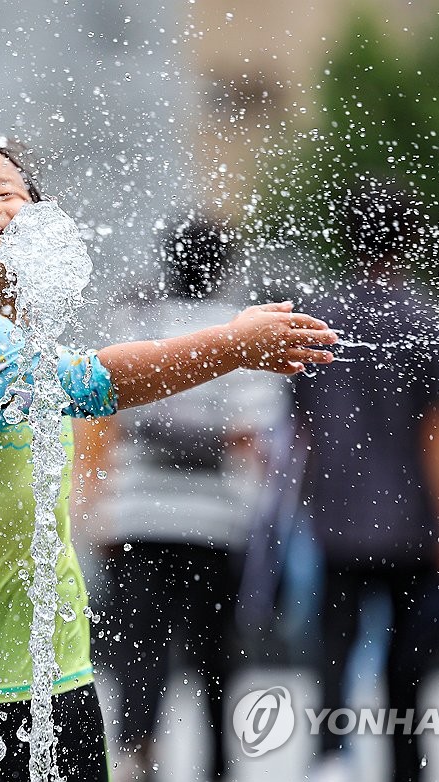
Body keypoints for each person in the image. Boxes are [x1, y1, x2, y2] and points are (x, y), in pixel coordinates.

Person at [0, 131, 337, 781]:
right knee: (201, 656)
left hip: (55, 679)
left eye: (6, 195)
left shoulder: (22, 349)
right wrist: (229, 347)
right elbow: (98, 383)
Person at [97, 214, 290, 781]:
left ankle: (137, 748)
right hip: (216, 522)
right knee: (214, 648)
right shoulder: (243, 335)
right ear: (224, 268)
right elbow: (253, 435)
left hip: (137, 513)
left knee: (140, 642)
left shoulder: (136, 325)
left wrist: (100, 502)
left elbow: (105, 420)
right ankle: (218, 764)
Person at [291, 179, 439, 782]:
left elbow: (301, 428)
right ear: (410, 238)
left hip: (335, 515)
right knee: (408, 664)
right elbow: (437, 430)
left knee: (333, 645)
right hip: (412, 520)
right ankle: (405, 767)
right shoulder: (426, 318)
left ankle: (330, 757)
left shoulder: (318, 316)